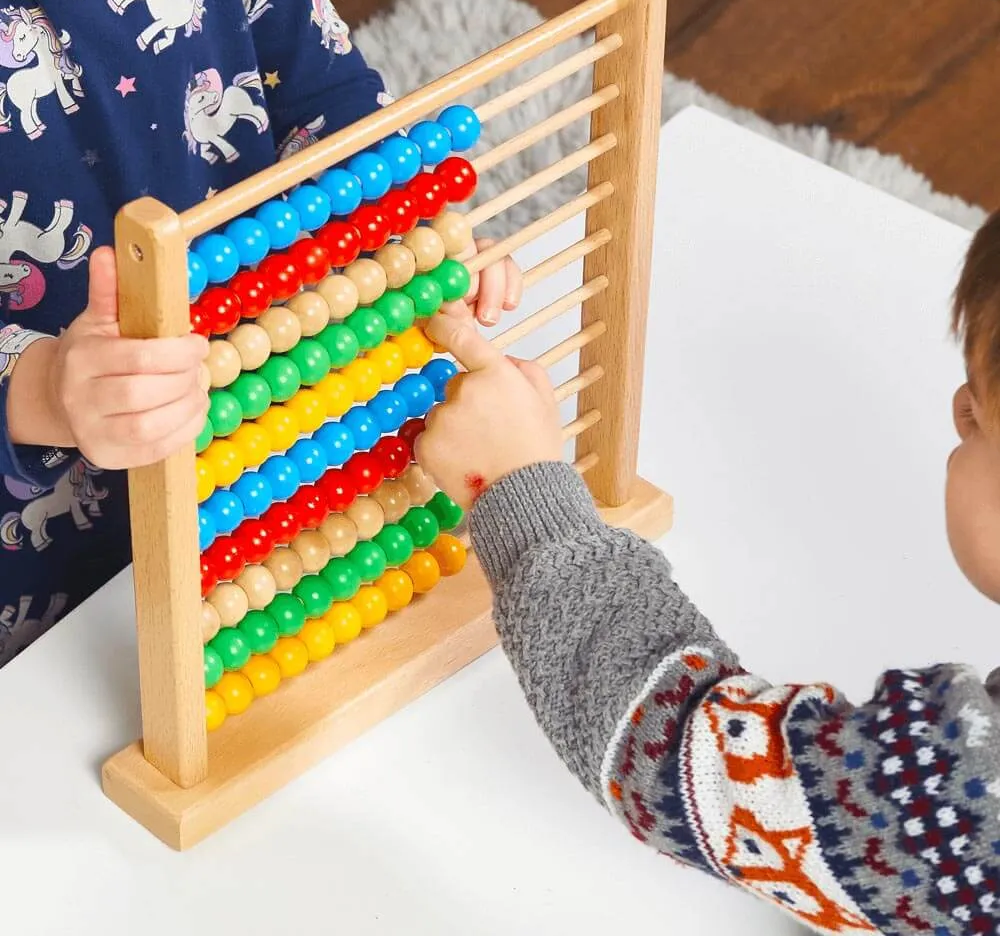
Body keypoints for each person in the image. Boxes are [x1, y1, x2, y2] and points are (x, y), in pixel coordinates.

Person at [414, 218, 1000, 935]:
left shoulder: (961, 791)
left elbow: (678, 754)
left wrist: (516, 488)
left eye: (978, 419)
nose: (956, 412)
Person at [0, 0, 518, 665]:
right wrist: (46, 392)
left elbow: (326, 102)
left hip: (265, 465)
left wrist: (418, 231)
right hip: (50, 601)